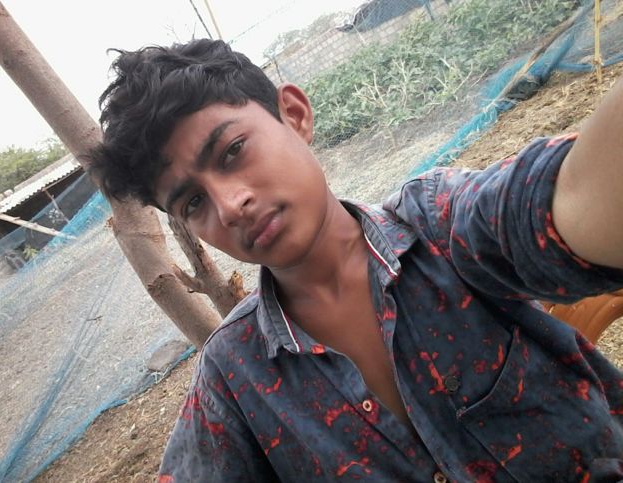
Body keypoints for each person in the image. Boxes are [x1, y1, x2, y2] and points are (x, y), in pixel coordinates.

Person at [90, 39, 623, 482]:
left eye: (233, 151)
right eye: (193, 203)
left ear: (294, 115)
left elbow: (573, 201)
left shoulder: (440, 226)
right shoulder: (236, 376)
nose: (230, 206)